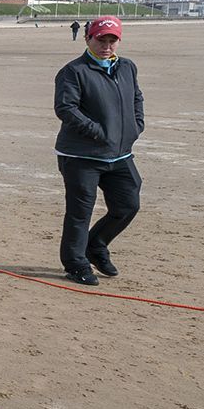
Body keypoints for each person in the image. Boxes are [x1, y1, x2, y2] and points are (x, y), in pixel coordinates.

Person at [54, 16, 143, 286]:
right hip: (82, 156)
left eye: (111, 40)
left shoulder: (127, 67)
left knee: (128, 204)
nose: (106, 45)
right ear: (88, 39)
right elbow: (66, 108)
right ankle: (75, 263)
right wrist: (98, 131)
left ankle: (96, 245)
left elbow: (136, 97)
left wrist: (136, 125)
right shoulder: (73, 71)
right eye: (100, 39)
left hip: (120, 154)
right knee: (80, 211)